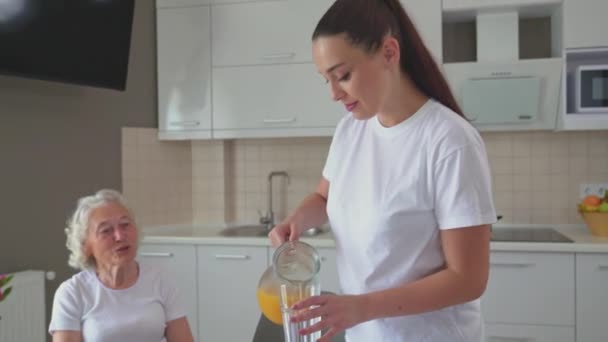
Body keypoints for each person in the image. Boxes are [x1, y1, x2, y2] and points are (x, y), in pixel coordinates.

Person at [268, 0, 497, 341]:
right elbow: (323, 196)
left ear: (389, 53)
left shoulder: (449, 141)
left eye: (343, 75)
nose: (333, 93)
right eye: (326, 80)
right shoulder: (351, 131)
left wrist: (361, 308)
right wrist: (298, 220)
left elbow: (468, 279)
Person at [49, 189, 194, 342]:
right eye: (106, 230)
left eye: (125, 225)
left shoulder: (161, 281)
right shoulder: (72, 293)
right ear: (86, 245)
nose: (120, 236)